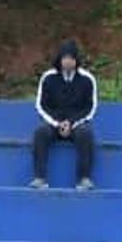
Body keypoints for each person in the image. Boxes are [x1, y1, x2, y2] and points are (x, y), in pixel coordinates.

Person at [31, 39, 98, 191]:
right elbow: (41, 105)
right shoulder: (48, 78)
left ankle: (84, 179)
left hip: (76, 124)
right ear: (60, 59)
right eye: (65, 58)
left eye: (71, 59)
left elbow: (90, 107)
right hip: (54, 124)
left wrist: (72, 123)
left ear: (76, 60)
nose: (68, 62)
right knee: (40, 133)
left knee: (85, 134)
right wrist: (57, 123)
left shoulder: (87, 80)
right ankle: (40, 178)